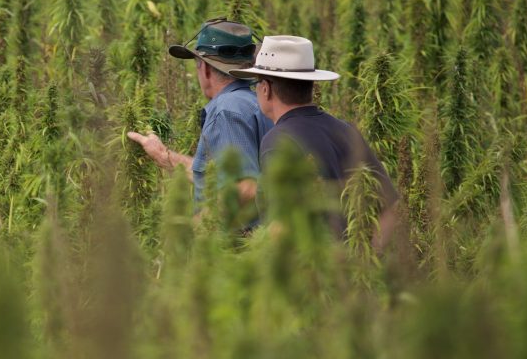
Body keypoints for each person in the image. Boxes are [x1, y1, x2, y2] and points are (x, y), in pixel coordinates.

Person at [229, 35, 398, 231]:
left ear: (265, 89)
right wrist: (365, 256)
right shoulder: (346, 131)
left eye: (257, 83)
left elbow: (281, 225)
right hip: (352, 259)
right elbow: (391, 207)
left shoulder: (277, 141)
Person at [128, 18, 272, 206]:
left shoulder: (227, 111)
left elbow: (243, 189)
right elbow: (212, 177)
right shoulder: (255, 102)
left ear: (203, 68)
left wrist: (194, 226)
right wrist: (165, 156)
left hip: (239, 234)